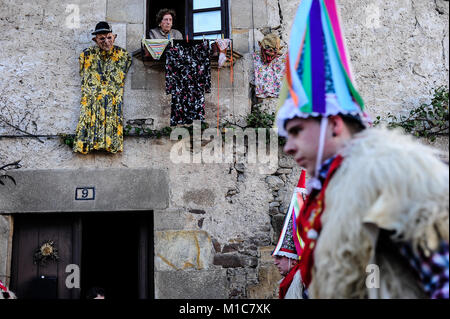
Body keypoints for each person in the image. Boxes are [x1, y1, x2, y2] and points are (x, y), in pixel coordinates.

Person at [276, 0, 449, 299]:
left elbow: (443, 280)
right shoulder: (330, 192)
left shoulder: (393, 176)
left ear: (333, 124)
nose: (288, 147)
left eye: (296, 131)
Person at [73, 21, 132, 154]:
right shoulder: (85, 56)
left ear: (114, 37)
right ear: (95, 40)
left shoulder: (124, 56)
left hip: (112, 103)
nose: (106, 41)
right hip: (91, 104)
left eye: (109, 37)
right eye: (101, 38)